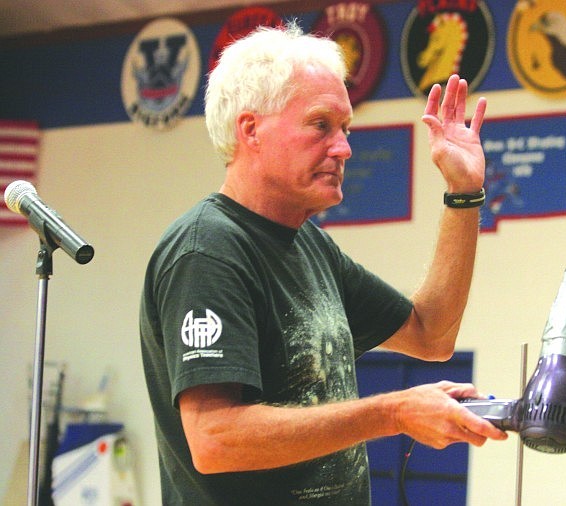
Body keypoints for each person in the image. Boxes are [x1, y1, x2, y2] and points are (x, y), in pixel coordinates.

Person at [139, 22, 506, 505]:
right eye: (320, 125)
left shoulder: (310, 245)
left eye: (345, 129)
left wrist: (464, 195)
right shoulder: (208, 250)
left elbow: (430, 334)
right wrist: (394, 412)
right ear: (251, 130)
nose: (344, 148)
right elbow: (214, 438)